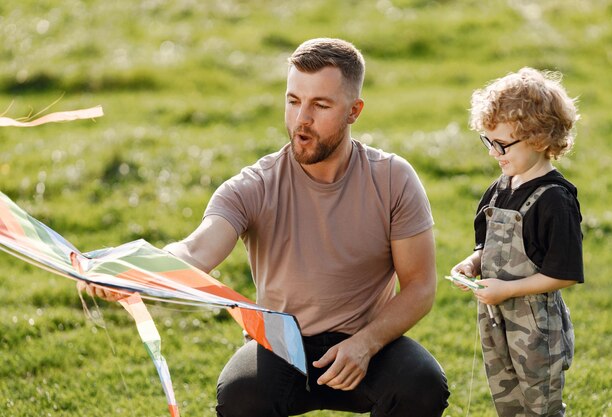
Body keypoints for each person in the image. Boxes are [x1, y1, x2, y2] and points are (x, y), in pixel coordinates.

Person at [84, 38, 449, 416]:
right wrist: (134, 266)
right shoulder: (254, 185)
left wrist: (367, 343)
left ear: (353, 111)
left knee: (422, 386)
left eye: (320, 105)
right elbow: (195, 251)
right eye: (293, 101)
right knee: (241, 394)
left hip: (363, 345)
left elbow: (420, 285)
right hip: (281, 347)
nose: (301, 119)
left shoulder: (393, 179)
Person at [450, 67, 584, 417]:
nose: (494, 152)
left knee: (540, 407)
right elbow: (487, 246)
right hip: (496, 320)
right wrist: (472, 263)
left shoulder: (554, 200)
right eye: (488, 141)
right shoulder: (499, 189)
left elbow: (565, 273)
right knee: (508, 404)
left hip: (536, 328)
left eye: (503, 144)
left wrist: (507, 290)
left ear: (539, 138)